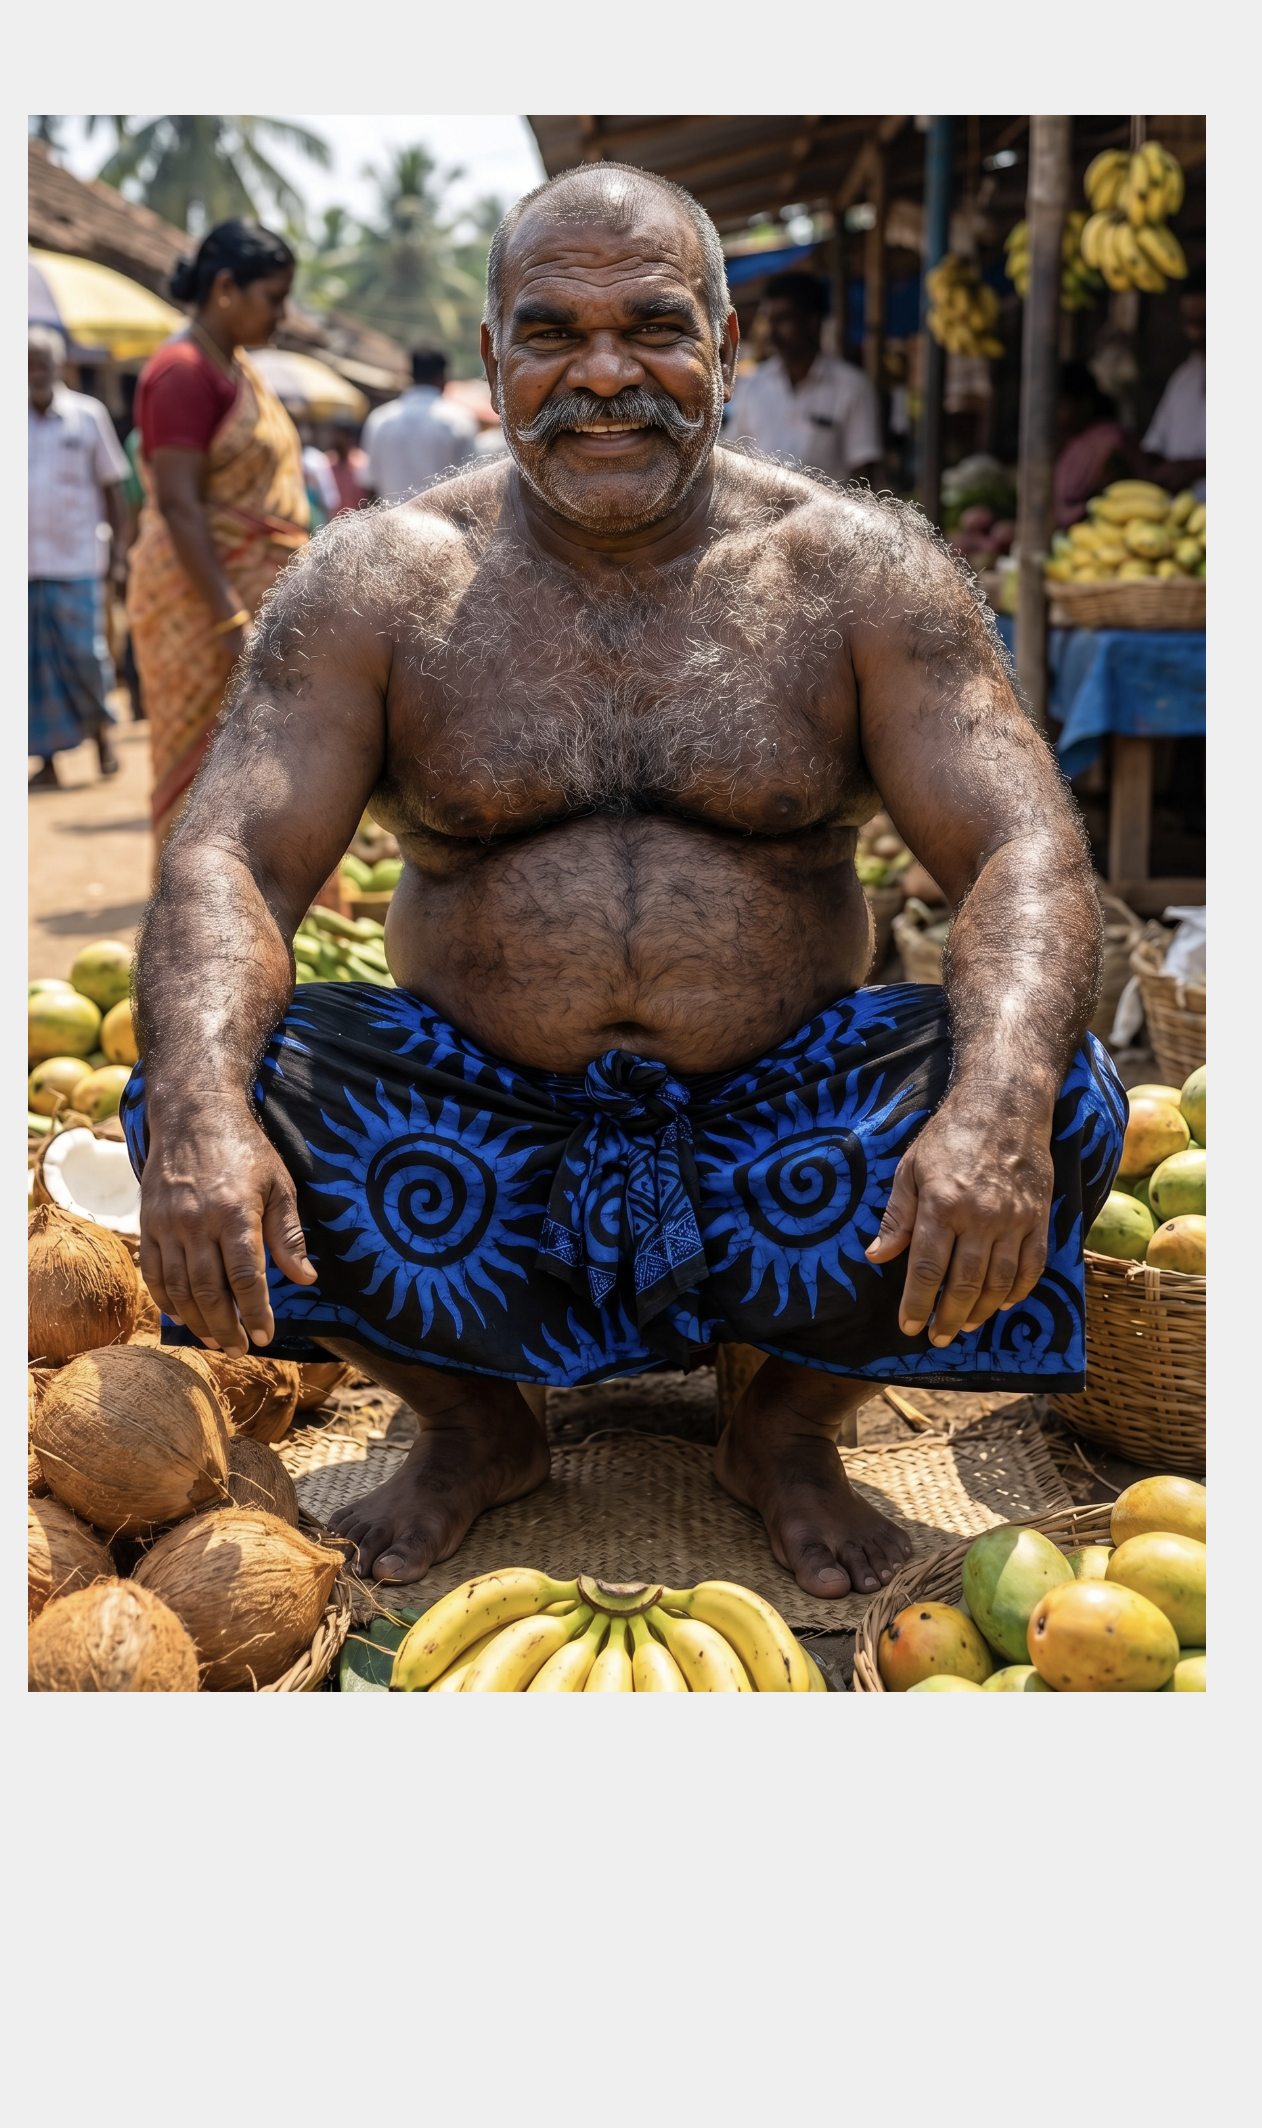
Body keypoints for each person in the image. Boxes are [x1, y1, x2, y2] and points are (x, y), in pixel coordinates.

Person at [125, 164, 1123, 1607]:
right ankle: (477, 1424)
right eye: (552, 333)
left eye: (652, 326)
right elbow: (231, 857)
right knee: (191, 1087)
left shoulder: (850, 573)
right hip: (467, 1154)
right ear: (492, 361)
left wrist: (993, 1105)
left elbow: (1023, 845)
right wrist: (213, 1116)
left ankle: (778, 1427)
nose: (604, 376)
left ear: (723, 346)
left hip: (777, 1145)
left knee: (1053, 1085)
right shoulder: (383, 583)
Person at [125, 221, 310, 855]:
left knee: (268, 766)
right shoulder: (181, 373)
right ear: (226, 288)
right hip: (199, 604)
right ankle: (189, 934)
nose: (282, 315)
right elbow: (179, 506)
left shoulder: (234, 369)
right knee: (201, 770)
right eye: (274, 297)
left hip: (246, 598)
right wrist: (228, 618)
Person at [28, 326, 129, 787]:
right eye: (27, 364)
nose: (34, 373)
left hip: (78, 563)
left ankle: (102, 737)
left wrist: (121, 553)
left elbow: (114, 489)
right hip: (24, 566)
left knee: (86, 657)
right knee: (32, 668)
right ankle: (46, 761)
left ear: (59, 367)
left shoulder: (87, 416)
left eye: (42, 364)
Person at [724, 268, 882, 484]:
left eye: (784, 319)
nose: (774, 330)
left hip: (829, 517)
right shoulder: (753, 386)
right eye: (771, 319)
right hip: (758, 516)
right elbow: (732, 457)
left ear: (812, 322)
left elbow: (864, 473)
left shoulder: (852, 387)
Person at [363, 347, 480, 501]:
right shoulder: (460, 421)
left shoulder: (380, 420)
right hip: (442, 522)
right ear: (442, 376)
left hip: (388, 521)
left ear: (411, 375)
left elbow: (369, 485)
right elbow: (470, 485)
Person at [1139, 294, 1206, 496]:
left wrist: (1198, 468)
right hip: (1178, 515)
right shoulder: (1184, 378)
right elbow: (1155, 444)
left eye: (1204, 321)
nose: (1195, 333)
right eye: (1189, 322)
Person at [1053, 363, 1133, 530]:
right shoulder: (1070, 443)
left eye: (1061, 404)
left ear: (1084, 404)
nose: (1055, 414)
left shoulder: (1108, 440)